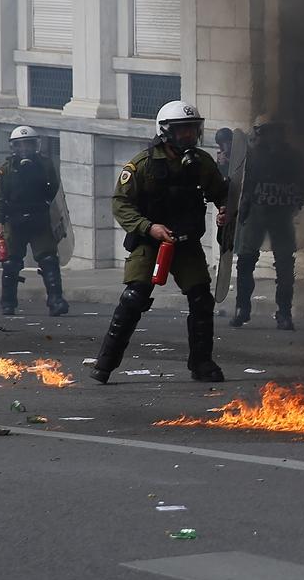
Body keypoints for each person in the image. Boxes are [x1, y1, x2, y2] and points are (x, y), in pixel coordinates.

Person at [89, 101, 228, 384]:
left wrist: (226, 210)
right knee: (134, 298)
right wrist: (149, 228)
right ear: (165, 132)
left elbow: (221, 193)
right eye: (182, 131)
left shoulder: (201, 163)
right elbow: (121, 204)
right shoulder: (142, 165)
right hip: (150, 244)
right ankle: (105, 364)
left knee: (201, 299)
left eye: (193, 130)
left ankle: (201, 363)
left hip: (186, 244)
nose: (189, 136)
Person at [230, 115, 304, 331]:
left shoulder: (292, 156)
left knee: (285, 265)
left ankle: (284, 313)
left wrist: (299, 200)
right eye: (266, 132)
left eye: (274, 131)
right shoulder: (251, 156)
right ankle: (242, 308)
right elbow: (239, 183)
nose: (271, 136)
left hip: (281, 214)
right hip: (256, 212)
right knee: (246, 261)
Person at [0, 126, 68, 316]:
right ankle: (8, 303)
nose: (25, 149)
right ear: (14, 147)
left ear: (36, 145)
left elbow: (56, 193)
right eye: (21, 145)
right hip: (14, 222)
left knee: (49, 260)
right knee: (11, 263)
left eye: (29, 144)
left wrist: (58, 218)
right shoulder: (5, 169)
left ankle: (56, 301)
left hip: (40, 220)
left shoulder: (46, 165)